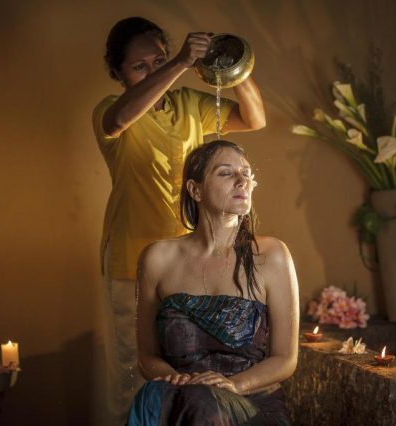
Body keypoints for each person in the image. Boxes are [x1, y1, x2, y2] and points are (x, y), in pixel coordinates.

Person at [92, 17, 266, 423]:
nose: (152, 70)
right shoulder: (111, 111)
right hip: (131, 261)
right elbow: (117, 121)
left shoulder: (188, 102)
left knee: (186, 373)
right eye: (139, 67)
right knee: (133, 375)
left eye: (159, 60)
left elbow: (254, 118)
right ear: (119, 74)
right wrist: (178, 63)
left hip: (189, 261)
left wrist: (233, 65)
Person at [128, 140, 299, 425]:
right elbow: (147, 356)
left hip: (251, 405)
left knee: (202, 402)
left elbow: (285, 359)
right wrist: (176, 380)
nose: (242, 181)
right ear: (195, 190)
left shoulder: (272, 255)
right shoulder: (156, 258)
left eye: (246, 173)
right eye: (226, 173)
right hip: (183, 401)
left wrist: (233, 385)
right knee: (155, 396)